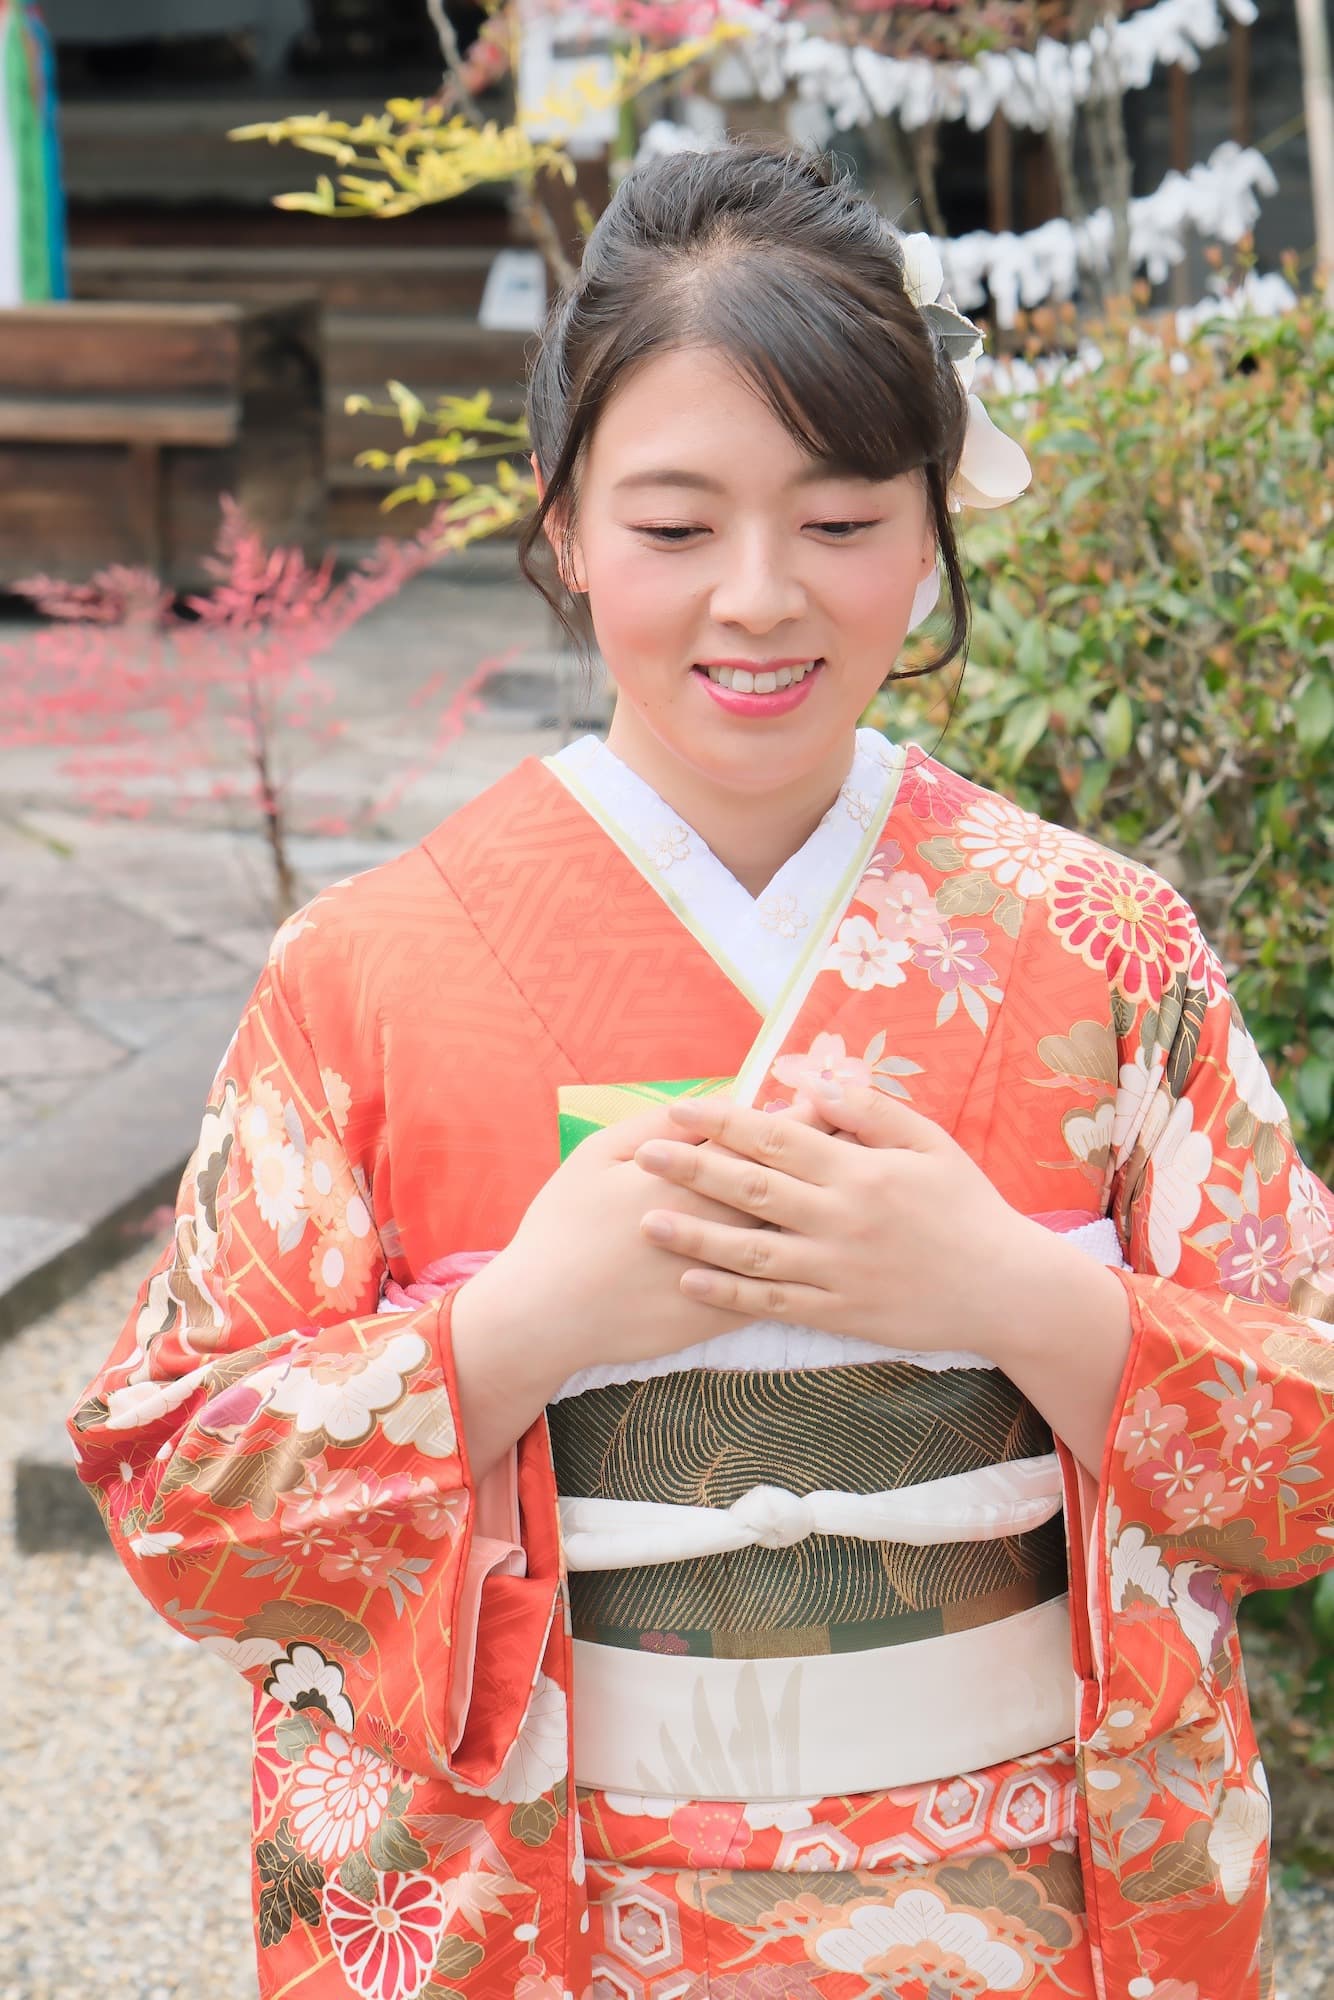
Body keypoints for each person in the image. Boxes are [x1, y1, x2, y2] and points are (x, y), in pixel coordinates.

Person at [69, 136, 1333, 2000]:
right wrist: (513, 1338)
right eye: (674, 528)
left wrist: (992, 1288)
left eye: (839, 524)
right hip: (566, 1909)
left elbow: (1307, 1450)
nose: (760, 598)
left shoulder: (1102, 944)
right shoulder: (367, 973)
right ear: (566, 527)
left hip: (1020, 1909)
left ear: (932, 530)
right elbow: (180, 1508)